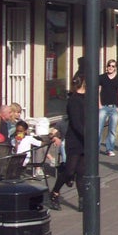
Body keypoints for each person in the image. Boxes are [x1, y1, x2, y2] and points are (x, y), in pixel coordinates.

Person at [49, 73, 87, 211]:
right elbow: (76, 123)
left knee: (82, 171)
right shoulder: (74, 100)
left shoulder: (89, 98)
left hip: (85, 139)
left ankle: (82, 200)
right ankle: (54, 192)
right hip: (75, 139)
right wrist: (87, 135)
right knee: (70, 170)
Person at [98, 58, 118, 156]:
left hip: (114, 107)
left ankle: (109, 149)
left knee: (112, 129)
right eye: (109, 65)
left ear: (115, 68)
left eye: (113, 66)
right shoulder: (101, 77)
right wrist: (99, 104)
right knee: (99, 128)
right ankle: (96, 148)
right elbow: (98, 91)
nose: (110, 67)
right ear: (106, 67)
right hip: (103, 106)